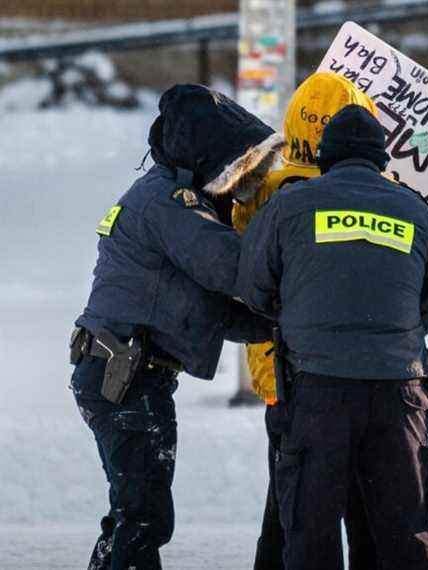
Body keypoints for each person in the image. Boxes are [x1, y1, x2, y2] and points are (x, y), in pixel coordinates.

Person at [69, 84, 279, 570]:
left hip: (121, 370)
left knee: (133, 513)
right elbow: (230, 268)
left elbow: (215, 311)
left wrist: (281, 324)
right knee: (143, 518)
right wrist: (298, 264)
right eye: (239, 166)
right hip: (123, 374)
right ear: (211, 156)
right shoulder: (169, 203)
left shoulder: (170, 198)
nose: (245, 178)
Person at [236, 104, 428, 570]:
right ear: (381, 159)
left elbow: (252, 289)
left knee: (310, 530)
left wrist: (304, 315)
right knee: (406, 532)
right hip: (400, 395)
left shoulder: (288, 206)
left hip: (316, 391)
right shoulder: (418, 212)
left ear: (324, 158)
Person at [229, 71, 381, 570]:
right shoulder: (377, 195)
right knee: (365, 511)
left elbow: (245, 278)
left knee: (291, 511)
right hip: (368, 376)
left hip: (280, 373)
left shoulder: (262, 189)